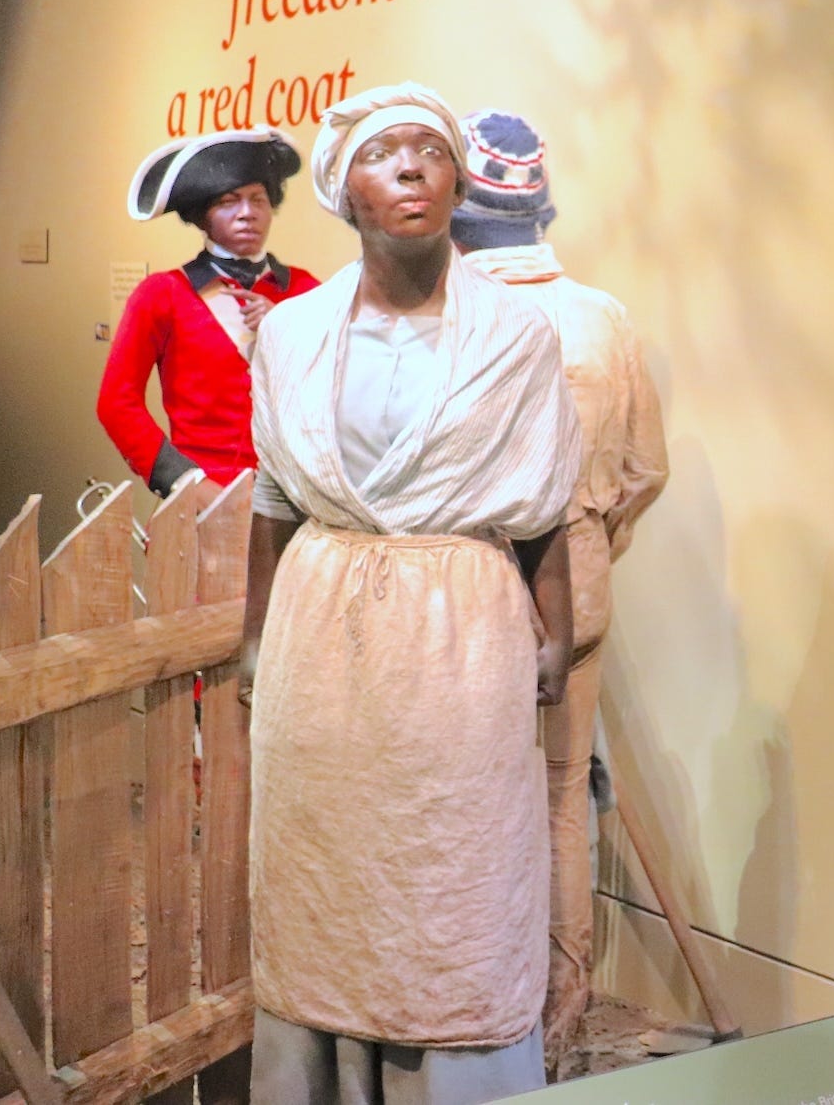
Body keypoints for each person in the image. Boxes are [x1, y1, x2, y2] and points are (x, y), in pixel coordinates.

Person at [242, 82, 583, 1103]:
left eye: (429, 152)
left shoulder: (514, 339)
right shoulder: (293, 334)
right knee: (324, 880)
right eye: (385, 153)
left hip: (460, 636)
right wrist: (252, 640)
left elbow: (546, 505)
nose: (411, 169)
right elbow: (271, 500)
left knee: (457, 881)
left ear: (458, 180)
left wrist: (554, 633)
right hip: (323, 635)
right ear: (345, 188)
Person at [449, 108, 669, 1067]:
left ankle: (476, 1027)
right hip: (576, 584)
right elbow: (644, 470)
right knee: (558, 802)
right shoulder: (601, 315)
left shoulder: (448, 317)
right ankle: (562, 1028)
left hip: (461, 593)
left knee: (458, 807)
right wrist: (586, 542)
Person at [100, 128, 318, 502]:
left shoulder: (306, 291)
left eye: (258, 199)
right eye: (229, 202)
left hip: (293, 497)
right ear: (203, 216)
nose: (247, 213)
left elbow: (340, 392)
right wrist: (185, 483)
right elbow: (117, 404)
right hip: (201, 500)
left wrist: (288, 329)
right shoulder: (162, 294)